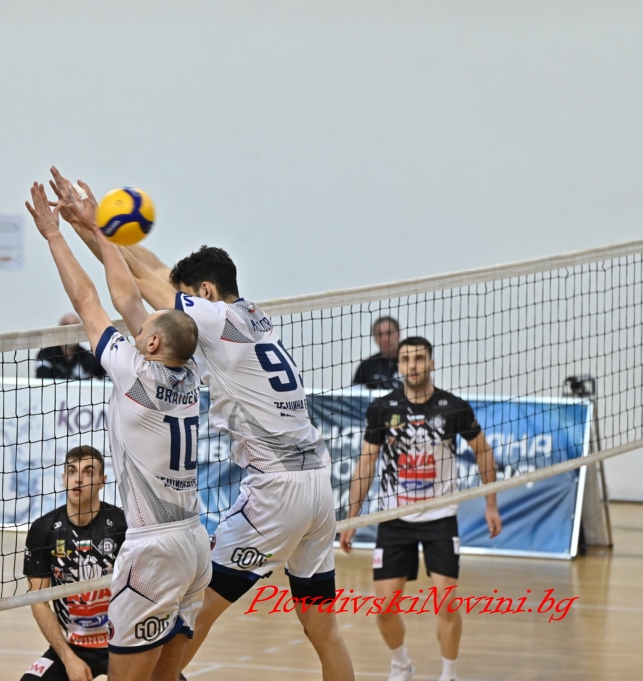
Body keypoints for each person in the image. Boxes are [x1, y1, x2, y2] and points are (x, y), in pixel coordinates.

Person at [49, 168, 354, 681]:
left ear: (206, 292)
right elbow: (153, 270)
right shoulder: (254, 316)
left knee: (198, 614)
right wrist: (93, 224)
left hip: (275, 492)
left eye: (188, 297)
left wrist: (90, 228)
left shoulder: (209, 320)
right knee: (323, 627)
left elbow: (135, 289)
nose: (181, 307)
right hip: (318, 485)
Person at [26, 181, 209, 681]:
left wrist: (54, 235)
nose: (138, 326)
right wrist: (100, 230)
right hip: (195, 541)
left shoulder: (135, 374)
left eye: (145, 328)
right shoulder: (192, 373)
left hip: (152, 548)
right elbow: (127, 297)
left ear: (151, 343)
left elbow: (89, 299)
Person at [340, 336, 502, 681]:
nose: (412, 366)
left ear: (431, 363)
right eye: (406, 360)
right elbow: (366, 464)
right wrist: (353, 517)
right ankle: (401, 664)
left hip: (440, 517)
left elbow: (483, 451)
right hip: (394, 518)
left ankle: (449, 674)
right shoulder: (383, 408)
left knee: (446, 602)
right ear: (398, 365)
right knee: (384, 609)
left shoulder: (453, 407)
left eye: (419, 359)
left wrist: (491, 504)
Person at [22, 446, 128, 681]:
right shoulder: (44, 529)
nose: (78, 479)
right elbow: (39, 602)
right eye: (71, 471)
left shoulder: (123, 525)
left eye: (88, 472)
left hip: (122, 642)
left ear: (102, 481)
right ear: (64, 478)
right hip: (72, 646)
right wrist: (68, 658)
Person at [35, 313, 107, 380]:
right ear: (58, 330)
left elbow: (107, 378)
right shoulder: (46, 354)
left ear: (81, 331)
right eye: (66, 325)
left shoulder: (89, 359)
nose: (70, 330)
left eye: (75, 326)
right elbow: (43, 382)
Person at [353, 316, 402, 390]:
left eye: (389, 333)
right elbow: (355, 394)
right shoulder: (366, 366)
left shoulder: (411, 363)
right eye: (380, 334)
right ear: (375, 338)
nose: (385, 338)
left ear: (398, 334)